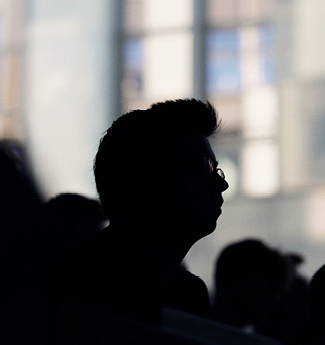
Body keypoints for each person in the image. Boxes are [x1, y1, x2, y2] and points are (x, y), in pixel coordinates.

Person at [39, 99, 229, 322]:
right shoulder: (66, 290)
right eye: (203, 166)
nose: (221, 184)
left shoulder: (189, 295)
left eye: (216, 169)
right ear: (145, 179)